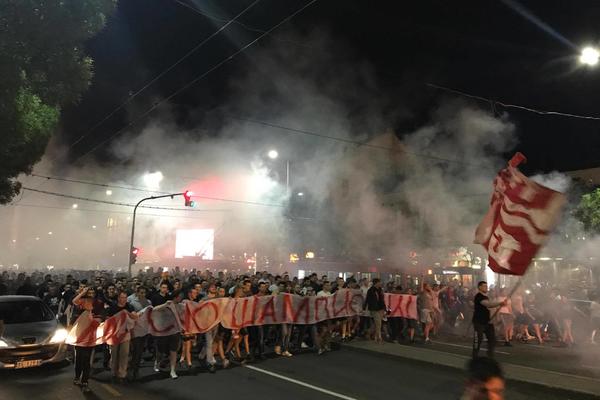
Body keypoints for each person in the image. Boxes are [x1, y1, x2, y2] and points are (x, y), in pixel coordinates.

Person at [71, 286, 103, 393]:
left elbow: (99, 319)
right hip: (79, 334)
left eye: (93, 291)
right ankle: (77, 376)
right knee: (78, 359)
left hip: (90, 335)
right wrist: (82, 292)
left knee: (86, 360)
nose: (91, 293)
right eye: (89, 291)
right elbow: (74, 301)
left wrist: (92, 318)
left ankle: (85, 381)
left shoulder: (98, 303)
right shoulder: (82, 301)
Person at [105, 291, 138, 383]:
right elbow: (108, 320)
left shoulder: (129, 307)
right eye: (122, 297)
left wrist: (127, 313)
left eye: (125, 298)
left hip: (126, 333)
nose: (124, 300)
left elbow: (135, 317)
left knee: (124, 353)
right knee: (114, 354)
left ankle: (122, 374)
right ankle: (114, 373)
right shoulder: (113, 307)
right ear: (118, 298)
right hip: (114, 334)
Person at [472, 281, 506, 359]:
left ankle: (490, 355)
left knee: (492, 339)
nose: (486, 287)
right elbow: (488, 304)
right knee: (478, 340)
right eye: (484, 286)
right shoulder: (478, 296)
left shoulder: (486, 297)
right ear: (479, 287)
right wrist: (499, 303)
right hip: (479, 322)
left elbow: (490, 306)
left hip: (487, 321)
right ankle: (475, 356)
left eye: (486, 286)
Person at [364, 278, 386, 344]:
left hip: (381, 308)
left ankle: (368, 333)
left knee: (376, 323)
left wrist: (384, 308)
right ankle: (379, 338)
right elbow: (367, 299)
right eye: (379, 282)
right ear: (376, 283)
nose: (380, 284)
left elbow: (382, 299)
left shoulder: (380, 290)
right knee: (378, 323)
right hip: (374, 309)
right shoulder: (371, 290)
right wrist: (364, 307)